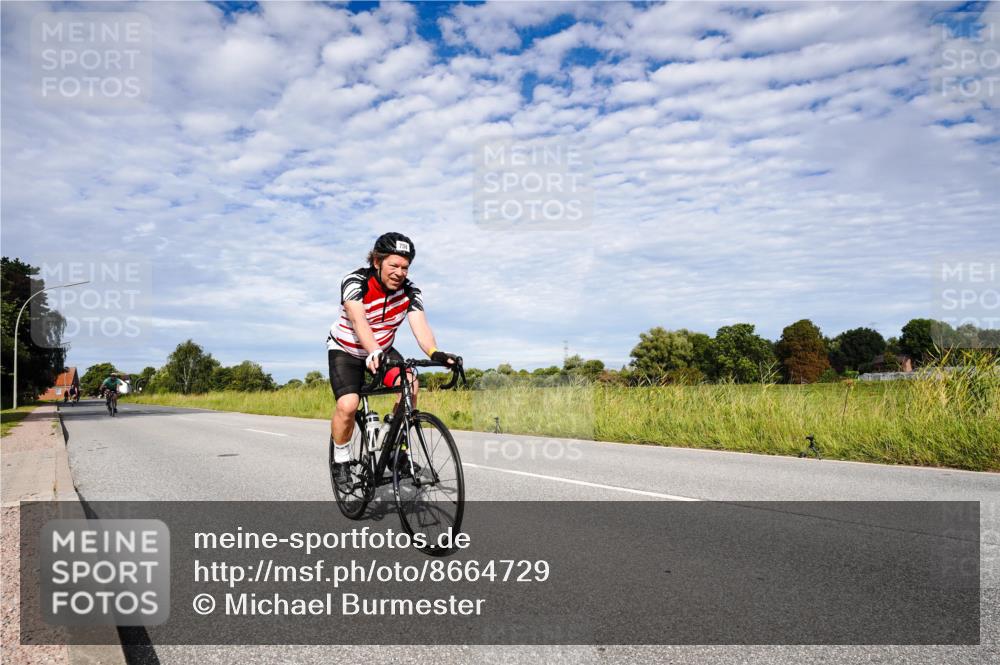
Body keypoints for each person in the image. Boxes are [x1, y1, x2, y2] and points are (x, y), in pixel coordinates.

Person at [326, 232, 456, 486]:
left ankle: (394, 445)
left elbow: (420, 326)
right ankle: (340, 458)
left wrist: (435, 353)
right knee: (349, 405)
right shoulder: (355, 281)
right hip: (347, 349)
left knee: (411, 382)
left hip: (383, 350)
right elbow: (357, 319)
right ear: (377, 262)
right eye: (393, 265)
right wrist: (372, 349)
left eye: (405, 267)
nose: (399, 272)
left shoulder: (410, 292)